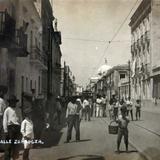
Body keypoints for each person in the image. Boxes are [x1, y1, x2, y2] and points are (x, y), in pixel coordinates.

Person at [3, 95, 22, 160]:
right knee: (8, 145)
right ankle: (7, 158)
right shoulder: (7, 110)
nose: (13, 103)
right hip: (10, 128)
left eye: (14, 102)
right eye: (11, 102)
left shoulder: (18, 110)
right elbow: (5, 120)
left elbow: (20, 119)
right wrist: (5, 130)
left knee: (16, 145)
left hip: (17, 128)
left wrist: (21, 129)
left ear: (15, 102)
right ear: (9, 102)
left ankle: (15, 158)